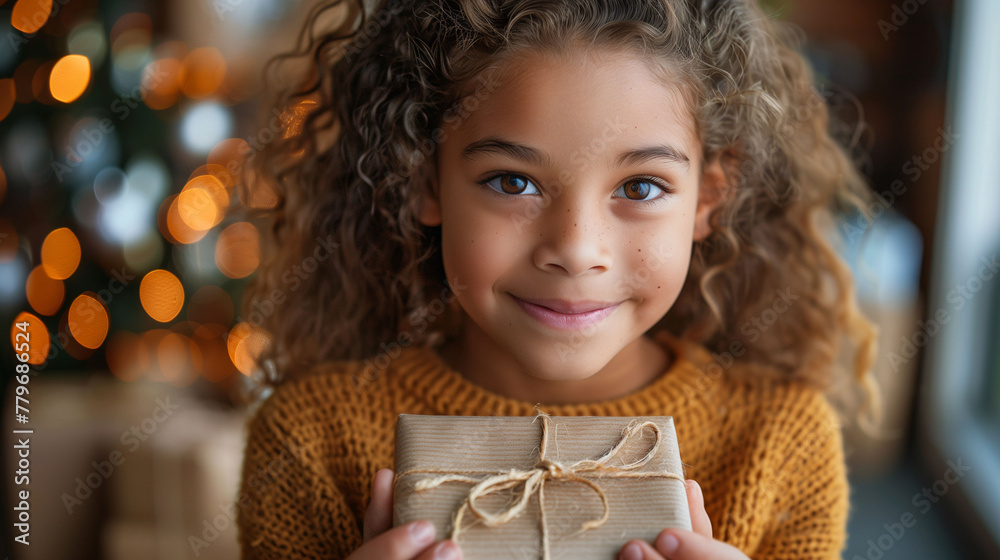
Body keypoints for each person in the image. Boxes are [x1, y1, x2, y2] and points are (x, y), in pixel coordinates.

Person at [234, 0, 882, 559]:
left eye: (640, 187)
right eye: (512, 182)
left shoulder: (779, 445)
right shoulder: (310, 441)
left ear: (709, 199)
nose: (575, 250)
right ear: (424, 180)